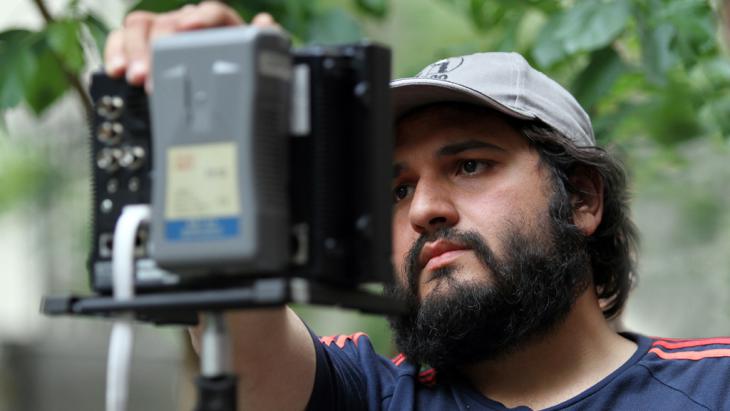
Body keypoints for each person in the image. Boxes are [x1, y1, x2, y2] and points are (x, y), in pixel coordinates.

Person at [105, 2, 730, 410]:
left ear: (584, 198)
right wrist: (205, 110)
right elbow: (238, 316)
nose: (424, 209)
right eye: (396, 188)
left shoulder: (714, 386)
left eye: (470, 165)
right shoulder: (365, 395)